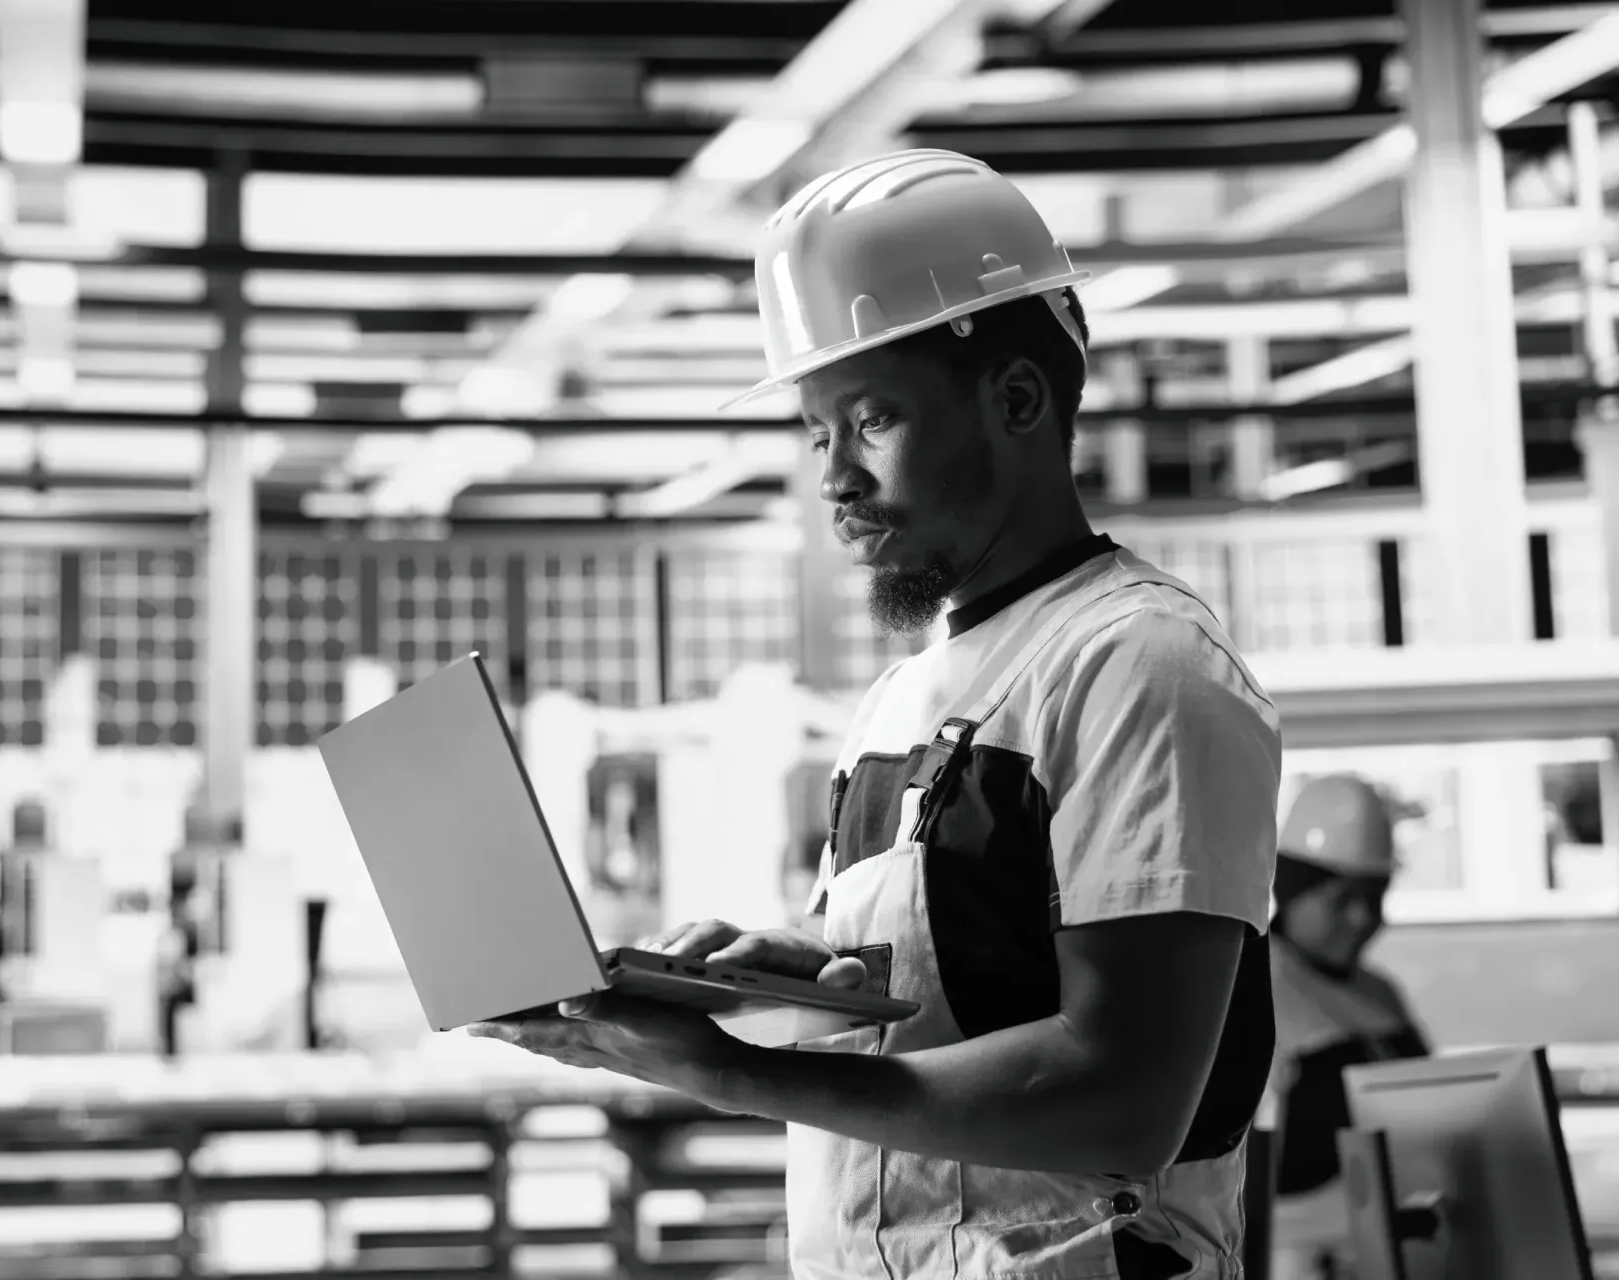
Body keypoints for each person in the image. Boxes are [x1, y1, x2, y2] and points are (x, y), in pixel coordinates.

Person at [470, 149, 1283, 1279]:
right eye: (818, 432)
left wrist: (727, 1071)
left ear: (1016, 400)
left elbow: (1123, 1098)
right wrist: (780, 975)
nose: (833, 477)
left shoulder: (1140, 662)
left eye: (872, 420)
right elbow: (946, 989)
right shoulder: (909, 692)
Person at [1263, 775, 1431, 1280]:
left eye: (1376, 896)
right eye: (1342, 899)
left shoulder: (1380, 992)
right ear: (1290, 893)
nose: (1363, 918)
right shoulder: (1247, 990)